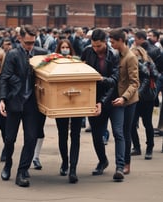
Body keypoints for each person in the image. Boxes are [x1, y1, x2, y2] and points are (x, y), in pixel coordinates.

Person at [81, 28, 126, 181]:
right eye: (93, 45)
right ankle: (102, 161)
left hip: (113, 99)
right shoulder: (87, 51)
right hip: (93, 98)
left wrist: (100, 79)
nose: (96, 49)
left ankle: (120, 166)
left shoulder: (114, 55)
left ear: (105, 42)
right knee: (96, 134)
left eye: (99, 46)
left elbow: (114, 80)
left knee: (118, 132)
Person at [0, 25, 40, 187]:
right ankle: (8, 163)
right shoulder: (13, 55)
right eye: (27, 42)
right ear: (20, 39)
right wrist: (2, 99)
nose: (30, 46)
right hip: (14, 101)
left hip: (32, 103)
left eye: (33, 42)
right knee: (10, 139)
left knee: (31, 138)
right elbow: (4, 77)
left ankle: (22, 171)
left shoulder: (40, 53)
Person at [109, 28, 139, 175]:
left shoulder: (130, 57)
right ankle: (120, 164)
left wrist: (125, 97)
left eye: (113, 41)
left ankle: (125, 164)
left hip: (128, 100)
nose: (111, 44)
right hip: (116, 99)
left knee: (125, 132)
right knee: (118, 132)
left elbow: (134, 82)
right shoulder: (115, 55)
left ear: (121, 41)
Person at [54, 39, 84, 183]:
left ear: (70, 49)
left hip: (77, 101)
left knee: (76, 135)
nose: (65, 49)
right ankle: (65, 161)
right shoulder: (53, 62)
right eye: (62, 47)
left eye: (67, 47)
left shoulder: (77, 62)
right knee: (62, 134)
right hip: (61, 102)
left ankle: (73, 168)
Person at [130, 46, 159, 159]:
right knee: (132, 124)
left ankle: (149, 148)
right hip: (134, 98)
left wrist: (141, 64)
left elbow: (153, 76)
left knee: (147, 123)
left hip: (146, 98)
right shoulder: (131, 64)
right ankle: (136, 147)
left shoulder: (149, 64)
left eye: (136, 55)